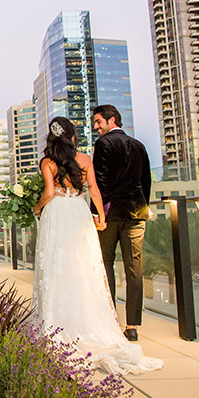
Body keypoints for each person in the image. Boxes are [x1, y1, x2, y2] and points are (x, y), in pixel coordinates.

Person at [32, 116, 162, 375]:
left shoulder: (47, 162)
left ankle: (57, 322)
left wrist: (36, 209)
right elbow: (94, 190)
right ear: (71, 136)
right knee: (84, 265)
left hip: (57, 213)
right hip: (79, 213)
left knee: (58, 265)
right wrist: (101, 215)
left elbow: (48, 193)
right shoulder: (84, 160)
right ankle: (92, 322)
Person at [91, 104, 152, 342]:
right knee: (134, 269)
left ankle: (110, 319)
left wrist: (97, 213)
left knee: (106, 264)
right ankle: (133, 325)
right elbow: (145, 180)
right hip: (137, 213)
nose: (96, 127)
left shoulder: (103, 144)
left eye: (98, 122)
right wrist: (142, 205)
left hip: (111, 214)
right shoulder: (139, 145)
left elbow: (101, 183)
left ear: (111, 120)